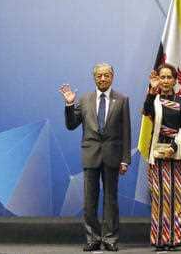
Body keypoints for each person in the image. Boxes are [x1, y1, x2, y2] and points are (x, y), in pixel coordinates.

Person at [59, 63, 131, 252]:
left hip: (113, 156)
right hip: (90, 155)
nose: (102, 79)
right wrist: (69, 104)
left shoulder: (122, 100)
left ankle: (110, 239)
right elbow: (71, 125)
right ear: (94, 78)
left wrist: (125, 159)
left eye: (106, 75)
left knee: (111, 200)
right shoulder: (84, 100)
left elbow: (126, 132)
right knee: (89, 200)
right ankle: (92, 238)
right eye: (99, 76)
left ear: (112, 77)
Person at [142, 64, 181, 251]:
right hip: (156, 152)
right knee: (158, 196)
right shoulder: (153, 100)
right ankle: (158, 239)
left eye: (168, 77)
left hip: (175, 151)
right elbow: (147, 113)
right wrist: (151, 90)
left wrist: (173, 147)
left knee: (175, 196)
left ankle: (173, 238)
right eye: (162, 77)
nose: (165, 81)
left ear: (175, 80)